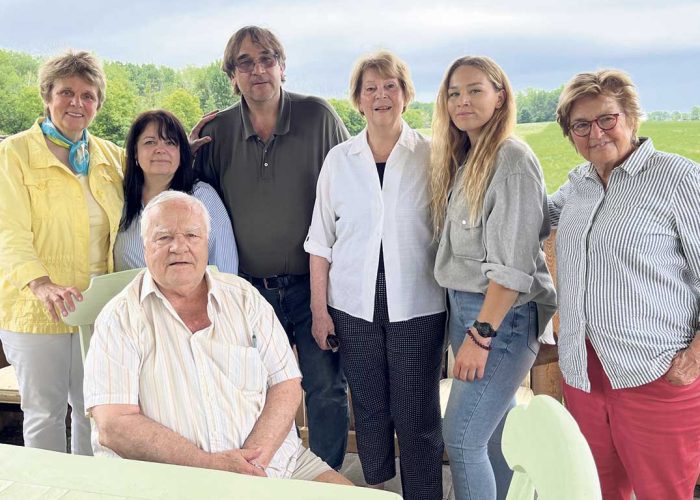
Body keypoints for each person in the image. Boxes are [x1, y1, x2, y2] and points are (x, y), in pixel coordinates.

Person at [83, 191, 352, 485]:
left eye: (191, 235)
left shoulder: (244, 298)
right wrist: (210, 465)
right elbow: (114, 425)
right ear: (145, 247)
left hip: (275, 463)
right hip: (168, 479)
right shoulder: (120, 318)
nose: (179, 247)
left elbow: (286, 383)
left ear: (206, 244)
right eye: (163, 238)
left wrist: (251, 463)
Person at [195, 25, 350, 469]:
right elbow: (191, 201)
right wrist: (181, 155)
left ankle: (325, 478)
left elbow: (350, 193)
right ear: (232, 75)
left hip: (315, 287)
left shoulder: (318, 117)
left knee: (324, 388)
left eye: (266, 59)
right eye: (245, 62)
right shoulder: (217, 131)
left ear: (282, 66)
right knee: (258, 392)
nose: (258, 69)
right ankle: (274, 474)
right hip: (248, 291)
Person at [549, 69, 700, 500]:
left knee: (664, 493)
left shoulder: (679, 179)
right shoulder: (577, 186)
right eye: (581, 124)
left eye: (607, 119)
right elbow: (530, 216)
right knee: (595, 491)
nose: (595, 133)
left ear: (631, 117)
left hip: (656, 377)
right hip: (584, 376)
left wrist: (696, 355)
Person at [305, 51, 446, 499]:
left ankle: (422, 492)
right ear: (358, 100)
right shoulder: (339, 160)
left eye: (391, 86)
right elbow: (320, 241)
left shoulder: (432, 155)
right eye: (371, 88)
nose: (381, 95)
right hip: (351, 304)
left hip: (418, 304)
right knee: (366, 404)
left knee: (416, 409)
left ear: (406, 95)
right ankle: (378, 487)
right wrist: (319, 312)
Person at [430, 56, 557, 500]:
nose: (462, 101)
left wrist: (480, 335)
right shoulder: (469, 157)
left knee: (462, 439)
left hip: (498, 318)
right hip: (467, 309)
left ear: (500, 97)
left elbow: (513, 267)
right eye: (453, 93)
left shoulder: (511, 160)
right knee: (492, 435)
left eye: (475, 90)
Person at [0, 50, 124, 455]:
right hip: (37, 309)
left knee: (95, 411)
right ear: (47, 97)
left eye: (88, 95)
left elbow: (155, 180)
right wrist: (40, 284)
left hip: (97, 308)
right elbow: (9, 229)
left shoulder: (109, 157)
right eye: (66, 92)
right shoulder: (14, 154)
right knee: (44, 414)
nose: (77, 103)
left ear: (98, 104)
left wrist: (182, 148)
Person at [114, 110, 238, 274]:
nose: (160, 149)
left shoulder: (202, 197)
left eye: (170, 142)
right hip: (131, 298)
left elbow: (225, 268)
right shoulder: (118, 197)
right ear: (135, 152)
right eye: (150, 142)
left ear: (181, 152)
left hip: (194, 298)